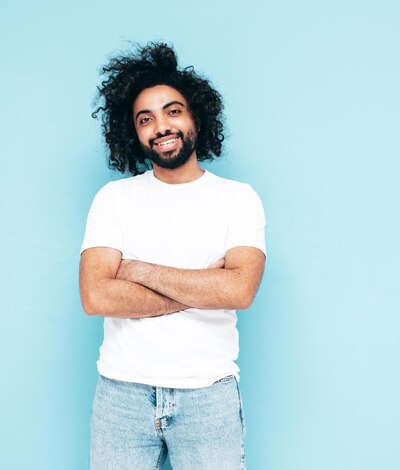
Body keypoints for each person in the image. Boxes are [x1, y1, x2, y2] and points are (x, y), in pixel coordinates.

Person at [79, 42, 266, 470]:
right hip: (121, 396)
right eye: (146, 119)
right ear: (134, 133)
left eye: (173, 111)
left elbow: (239, 289)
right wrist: (204, 287)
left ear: (196, 115)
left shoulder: (237, 199)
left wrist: (138, 270)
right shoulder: (114, 199)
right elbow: (96, 297)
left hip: (208, 396)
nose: (161, 126)